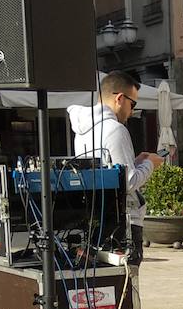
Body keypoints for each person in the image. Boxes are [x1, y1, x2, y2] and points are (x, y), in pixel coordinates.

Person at [69, 72, 162, 264]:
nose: (132, 111)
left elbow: (107, 172)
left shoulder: (82, 129)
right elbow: (128, 182)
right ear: (120, 98)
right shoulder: (116, 129)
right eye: (132, 104)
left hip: (97, 216)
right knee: (127, 284)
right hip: (123, 221)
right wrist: (150, 164)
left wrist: (136, 162)